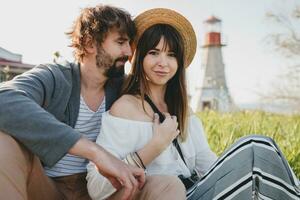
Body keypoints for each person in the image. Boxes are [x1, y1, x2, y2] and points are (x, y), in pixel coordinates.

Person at [86, 8, 300, 200]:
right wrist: (154, 147)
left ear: (179, 63)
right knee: (255, 144)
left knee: (261, 147)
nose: (163, 63)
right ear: (140, 57)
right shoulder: (125, 108)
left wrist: (233, 176)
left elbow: (208, 165)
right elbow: (96, 187)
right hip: (165, 193)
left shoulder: (184, 111)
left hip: (197, 191)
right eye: (153, 53)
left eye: (171, 55)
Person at [0, 5, 185, 200]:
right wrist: (95, 153)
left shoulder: (125, 88)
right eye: (121, 42)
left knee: (167, 186)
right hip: (46, 188)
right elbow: (4, 97)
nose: (129, 51)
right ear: (89, 43)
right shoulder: (55, 77)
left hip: (104, 192)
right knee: (3, 142)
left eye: (130, 43)